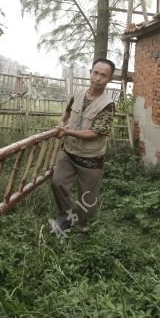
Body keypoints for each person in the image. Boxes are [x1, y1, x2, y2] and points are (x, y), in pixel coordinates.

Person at [50, 58, 116, 237]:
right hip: (69, 152)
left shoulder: (107, 105)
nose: (98, 78)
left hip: (91, 158)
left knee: (87, 198)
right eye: (95, 73)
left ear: (109, 79)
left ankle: (82, 228)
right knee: (58, 183)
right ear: (90, 73)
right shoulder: (78, 93)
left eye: (103, 75)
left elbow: (95, 133)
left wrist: (67, 132)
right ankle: (65, 217)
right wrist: (62, 122)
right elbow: (69, 111)